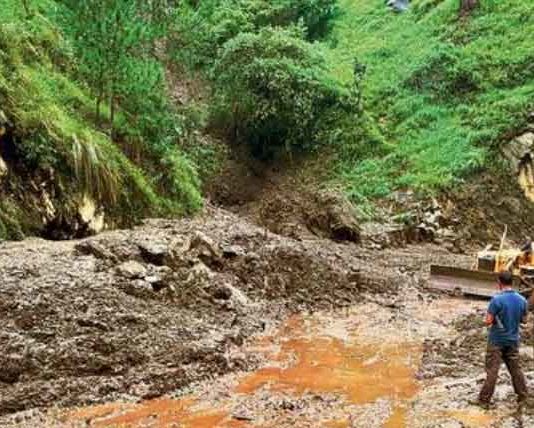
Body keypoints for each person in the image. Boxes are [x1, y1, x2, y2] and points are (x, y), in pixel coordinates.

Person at [476, 271, 529, 408]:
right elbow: (524, 321)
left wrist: (492, 319)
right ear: (512, 282)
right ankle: (523, 396)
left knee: (492, 371)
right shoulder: (522, 300)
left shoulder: (496, 300)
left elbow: (488, 321)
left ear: (499, 283)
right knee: (515, 369)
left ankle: (484, 400)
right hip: (513, 341)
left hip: (497, 341)